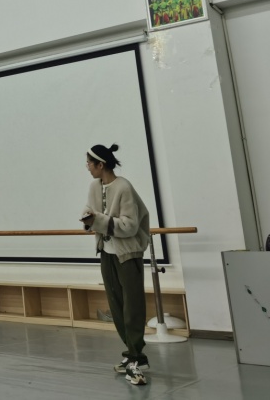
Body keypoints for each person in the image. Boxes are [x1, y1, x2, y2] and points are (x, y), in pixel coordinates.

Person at [81, 143, 150, 387]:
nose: (87, 167)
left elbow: (130, 225)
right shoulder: (94, 186)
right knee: (117, 307)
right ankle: (133, 355)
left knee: (133, 307)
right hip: (106, 253)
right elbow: (92, 212)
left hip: (127, 254)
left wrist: (97, 220)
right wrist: (88, 219)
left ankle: (136, 359)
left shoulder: (124, 187)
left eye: (90, 163)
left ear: (101, 164)